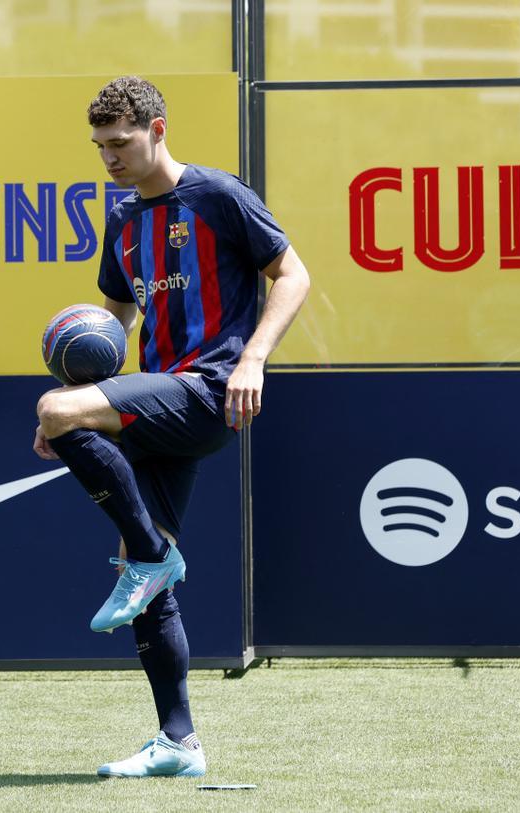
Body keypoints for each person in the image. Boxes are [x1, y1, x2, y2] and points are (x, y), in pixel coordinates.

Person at [32, 76, 310, 778]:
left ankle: (153, 553)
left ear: (159, 129)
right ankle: (178, 742)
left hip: (211, 386)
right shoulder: (124, 220)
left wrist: (254, 359)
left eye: (120, 143)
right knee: (144, 576)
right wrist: (79, 397)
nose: (110, 157)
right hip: (161, 395)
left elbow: (294, 274)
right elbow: (114, 322)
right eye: (99, 146)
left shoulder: (218, 195)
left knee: (58, 417)